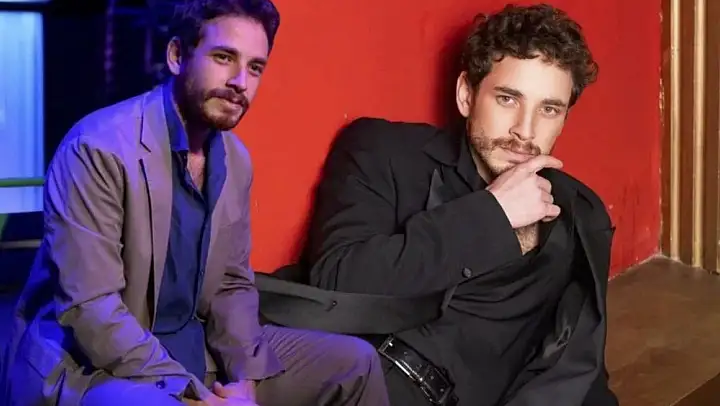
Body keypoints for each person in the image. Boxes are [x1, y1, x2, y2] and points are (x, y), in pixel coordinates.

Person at [1, 1, 390, 405]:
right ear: (176, 55)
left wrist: (245, 381)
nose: (240, 81)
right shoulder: (97, 148)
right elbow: (91, 309)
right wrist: (195, 394)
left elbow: (231, 285)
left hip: (196, 348)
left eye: (255, 67)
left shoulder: (235, 160)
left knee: (355, 363)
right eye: (224, 57)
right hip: (95, 366)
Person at [296, 4, 618, 406]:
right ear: (467, 95)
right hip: (364, 385)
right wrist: (492, 215)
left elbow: (578, 367)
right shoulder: (384, 151)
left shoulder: (578, 213)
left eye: (549, 109)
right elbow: (335, 278)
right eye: (507, 99)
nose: (525, 130)